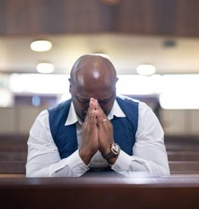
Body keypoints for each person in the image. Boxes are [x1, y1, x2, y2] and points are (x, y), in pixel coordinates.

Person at [26, 54, 170, 177]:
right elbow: (35, 179)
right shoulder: (47, 121)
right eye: (84, 100)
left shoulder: (141, 114)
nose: (94, 108)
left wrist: (112, 153)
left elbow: (160, 175)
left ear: (115, 87)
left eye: (104, 100)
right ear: (70, 87)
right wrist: (83, 154)